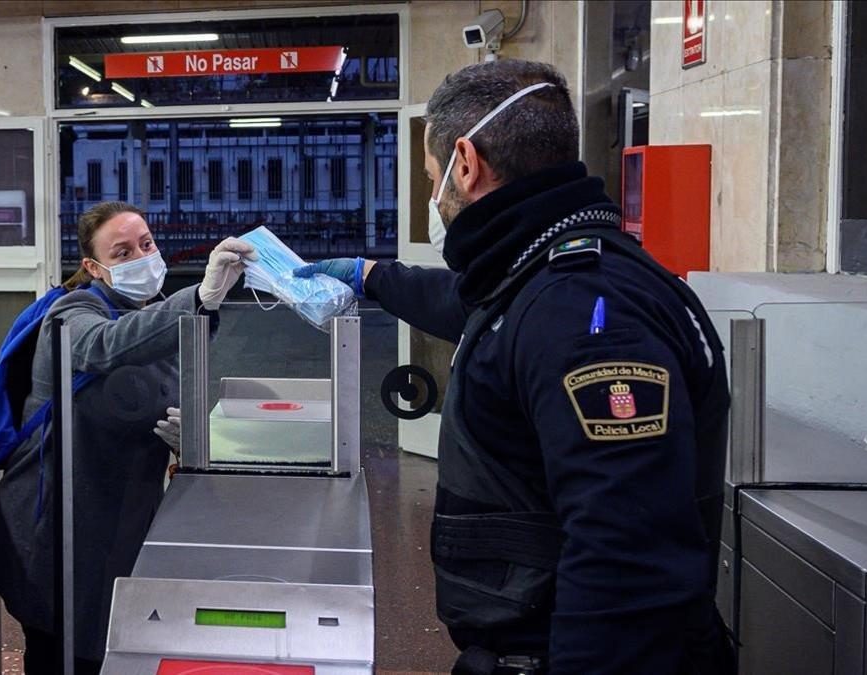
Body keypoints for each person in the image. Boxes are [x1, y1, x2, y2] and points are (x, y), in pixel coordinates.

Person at [297, 60, 734, 674]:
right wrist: (371, 275)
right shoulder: (545, 270)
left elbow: (626, 557)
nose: (433, 196)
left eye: (432, 176)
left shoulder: (588, 315)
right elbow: (475, 306)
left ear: (466, 164)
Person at [0, 201, 255, 673]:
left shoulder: (152, 312)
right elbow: (106, 345)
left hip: (120, 521)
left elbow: (155, 378)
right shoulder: (72, 312)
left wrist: (185, 438)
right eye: (123, 252)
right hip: (56, 531)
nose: (141, 257)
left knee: (112, 648)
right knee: (64, 653)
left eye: (146, 244)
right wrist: (198, 298)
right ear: (94, 267)